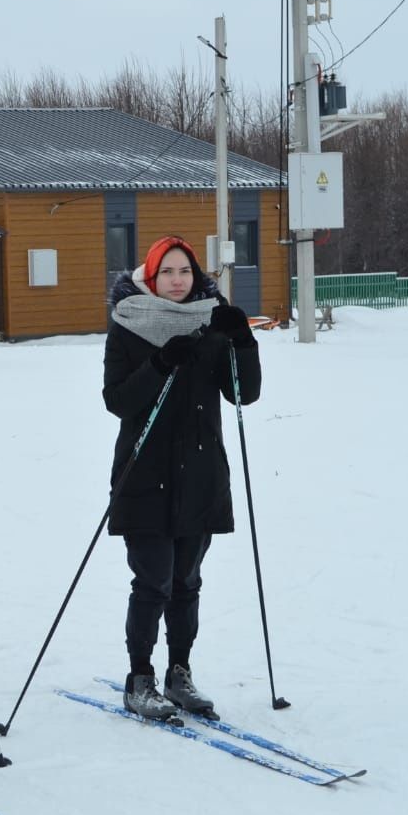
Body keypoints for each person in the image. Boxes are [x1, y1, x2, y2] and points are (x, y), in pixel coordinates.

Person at [103, 236, 261, 723]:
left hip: (200, 475)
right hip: (144, 473)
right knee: (152, 581)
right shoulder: (127, 327)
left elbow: (244, 394)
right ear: (150, 277)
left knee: (186, 582)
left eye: (185, 272)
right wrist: (160, 362)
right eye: (167, 272)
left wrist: (241, 340)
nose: (177, 280)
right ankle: (140, 679)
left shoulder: (210, 325)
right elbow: (119, 401)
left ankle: (179, 671)